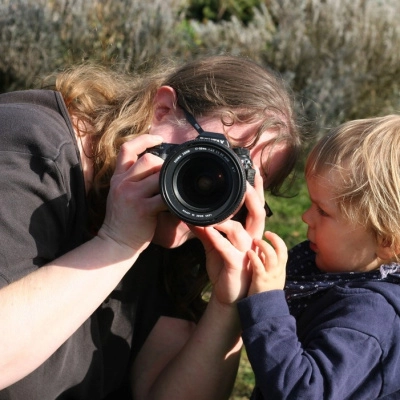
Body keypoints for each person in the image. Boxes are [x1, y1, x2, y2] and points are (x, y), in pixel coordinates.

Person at [0, 55, 301, 399]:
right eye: (215, 156)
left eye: (239, 183)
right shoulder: (29, 146)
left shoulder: (177, 231)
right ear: (161, 110)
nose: (214, 191)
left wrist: (227, 305)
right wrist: (117, 242)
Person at [234, 115, 400, 399]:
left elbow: (305, 391)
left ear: (385, 240)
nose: (305, 217)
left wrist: (268, 304)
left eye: (323, 211)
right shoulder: (330, 271)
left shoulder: (369, 316)